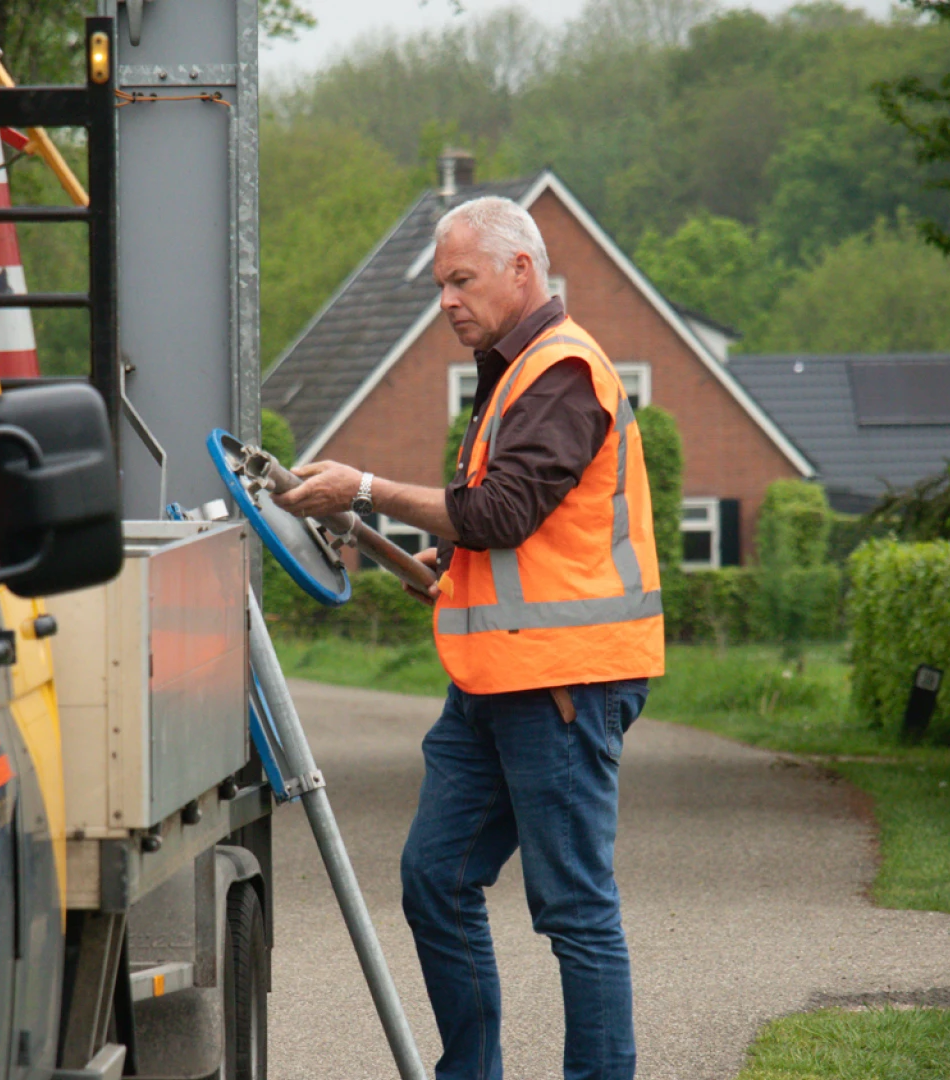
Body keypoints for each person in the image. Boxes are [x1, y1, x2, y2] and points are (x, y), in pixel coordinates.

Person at [274, 196, 666, 1080]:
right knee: (436, 880)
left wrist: (364, 488)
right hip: (493, 681)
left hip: (564, 684)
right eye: (440, 286)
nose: (447, 301)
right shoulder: (510, 372)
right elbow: (505, 530)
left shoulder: (563, 371)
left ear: (522, 269)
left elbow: (502, 512)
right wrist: (442, 563)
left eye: (461, 280)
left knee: (573, 909)